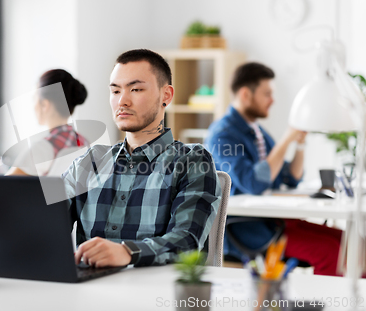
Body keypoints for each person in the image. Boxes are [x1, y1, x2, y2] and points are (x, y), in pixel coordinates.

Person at [63, 49, 221, 268]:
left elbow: (186, 240)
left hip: (157, 295)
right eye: (115, 91)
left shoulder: (192, 161)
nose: (122, 101)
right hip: (88, 290)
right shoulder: (89, 162)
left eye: (135, 89)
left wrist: (128, 253)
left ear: (166, 95)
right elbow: (42, 222)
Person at [205, 62, 343, 276]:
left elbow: (290, 177)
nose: (273, 100)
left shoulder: (257, 131)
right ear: (245, 94)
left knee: (350, 243)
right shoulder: (223, 135)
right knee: (331, 251)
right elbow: (254, 183)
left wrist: (299, 143)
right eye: (267, 93)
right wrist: (287, 137)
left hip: (276, 220)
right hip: (249, 228)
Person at [7, 69, 89, 176]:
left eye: (34, 98)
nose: (33, 105)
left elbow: (3, 188)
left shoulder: (41, 149)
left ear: (45, 105)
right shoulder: (84, 144)